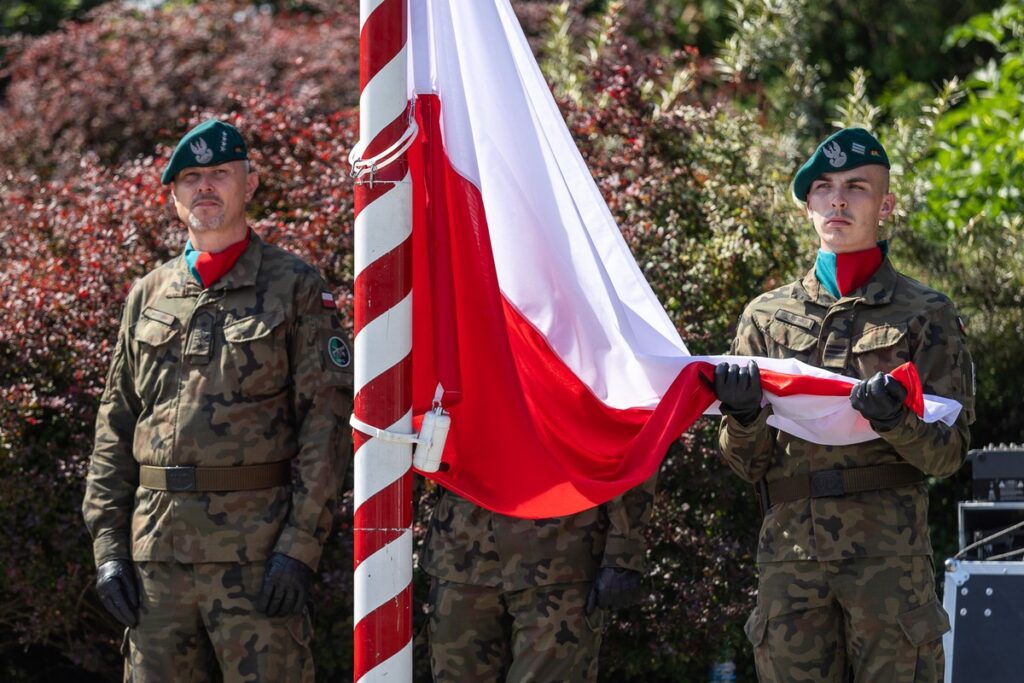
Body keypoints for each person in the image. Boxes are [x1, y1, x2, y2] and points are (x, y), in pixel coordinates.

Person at [82, 119, 352, 682]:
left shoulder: (295, 286)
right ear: (174, 195)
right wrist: (109, 548)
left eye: (220, 174)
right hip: (156, 557)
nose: (205, 188)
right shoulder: (148, 294)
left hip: (256, 556)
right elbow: (115, 426)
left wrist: (299, 548)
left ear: (249, 185)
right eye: (191, 178)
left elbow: (324, 427)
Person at [714, 127, 974, 682]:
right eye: (824, 187)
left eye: (856, 187)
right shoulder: (764, 317)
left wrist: (896, 421)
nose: (837, 199)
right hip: (790, 556)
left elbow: (948, 456)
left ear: (886, 206)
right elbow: (745, 465)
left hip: (888, 559)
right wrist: (741, 417)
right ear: (808, 205)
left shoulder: (926, 313)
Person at [422, 475, 656, 682]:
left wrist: (623, 547)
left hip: (563, 553)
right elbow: (399, 434)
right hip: (462, 553)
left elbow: (628, 437)